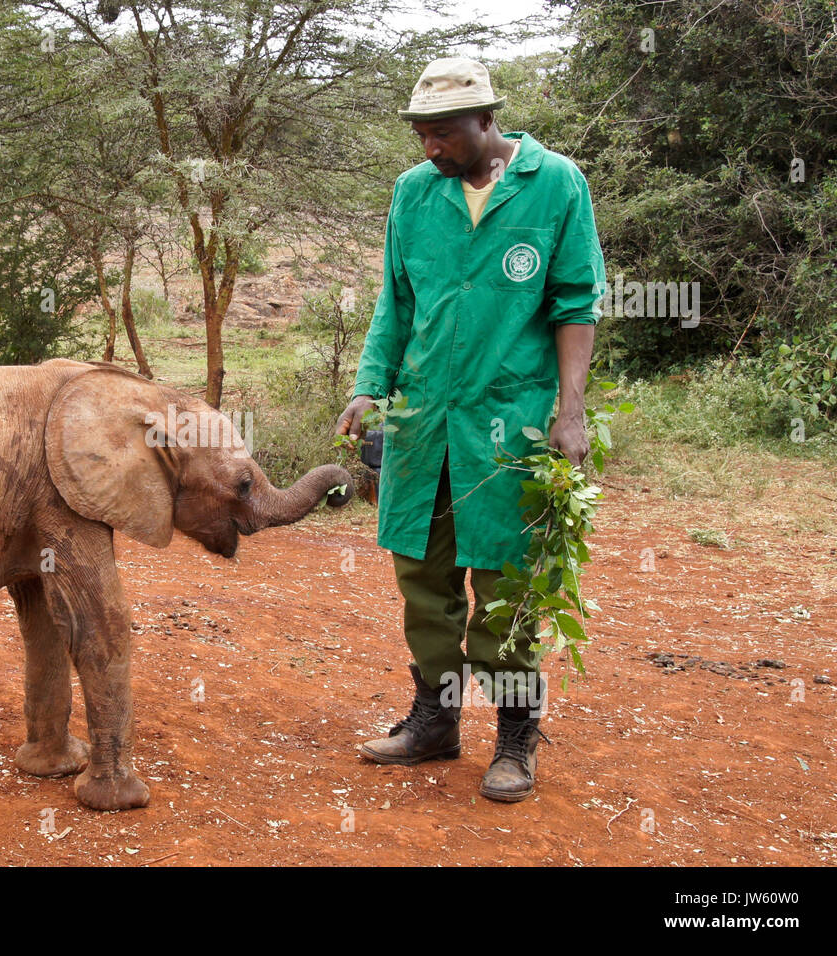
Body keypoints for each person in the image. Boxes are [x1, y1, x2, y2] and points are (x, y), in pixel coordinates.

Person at [336, 57, 605, 802]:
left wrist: (570, 411)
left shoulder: (555, 184)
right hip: (424, 420)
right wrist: (369, 389)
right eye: (421, 134)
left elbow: (576, 302)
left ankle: (516, 739)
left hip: (511, 424)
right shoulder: (414, 194)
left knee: (507, 585)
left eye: (444, 132)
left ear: (488, 120)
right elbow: (393, 304)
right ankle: (434, 723)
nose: (430, 147)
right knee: (423, 579)